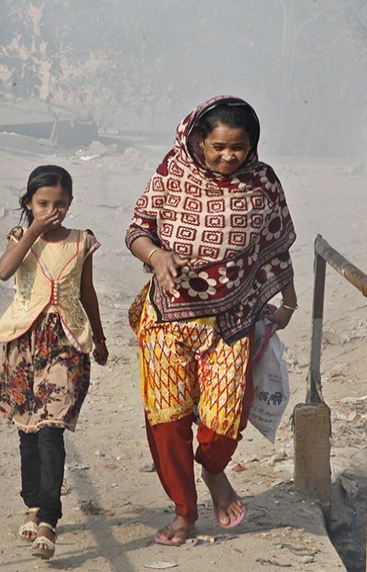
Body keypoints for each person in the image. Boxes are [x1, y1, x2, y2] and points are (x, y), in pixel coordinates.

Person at [125, 95, 297, 546]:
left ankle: (215, 469)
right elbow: (137, 229)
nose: (227, 156)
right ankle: (185, 512)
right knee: (167, 422)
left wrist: (289, 302)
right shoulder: (173, 171)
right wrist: (158, 256)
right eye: (218, 146)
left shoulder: (262, 182)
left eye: (238, 147)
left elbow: (277, 248)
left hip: (232, 320)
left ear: (252, 145)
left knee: (223, 423)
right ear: (199, 140)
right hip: (167, 317)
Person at [0, 165, 108, 560]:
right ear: (29, 203)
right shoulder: (20, 239)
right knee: (26, 429)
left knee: (50, 428)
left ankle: (48, 520)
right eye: (43, 203)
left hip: (66, 341)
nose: (52, 210)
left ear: (71, 203)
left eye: (60, 203)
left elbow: (87, 292)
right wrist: (32, 230)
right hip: (23, 341)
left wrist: (101, 337)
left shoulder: (82, 242)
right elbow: (5, 270)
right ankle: (31, 504)